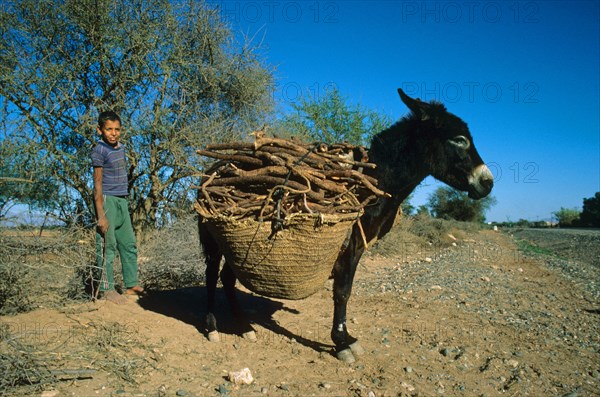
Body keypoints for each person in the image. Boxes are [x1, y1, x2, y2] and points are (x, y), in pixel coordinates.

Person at [91, 110, 144, 304]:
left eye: (117, 129)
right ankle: (107, 289)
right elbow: (97, 184)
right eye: (109, 129)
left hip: (122, 199)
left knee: (128, 244)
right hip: (107, 200)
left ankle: (131, 285)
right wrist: (101, 215)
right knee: (107, 246)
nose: (113, 133)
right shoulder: (99, 150)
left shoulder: (121, 148)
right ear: (100, 130)